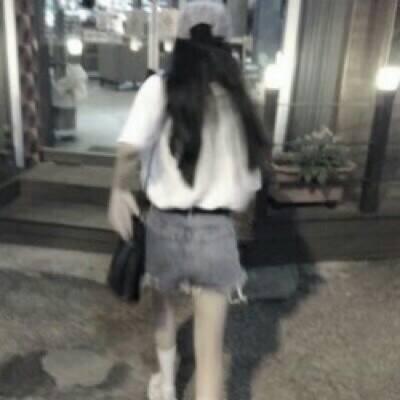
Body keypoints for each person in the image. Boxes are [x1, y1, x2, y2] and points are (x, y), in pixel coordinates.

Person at [108, 2, 268, 400]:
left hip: (165, 225)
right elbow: (251, 182)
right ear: (227, 44)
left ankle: (165, 385)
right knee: (210, 354)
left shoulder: (158, 88)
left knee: (163, 310)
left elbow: (129, 149)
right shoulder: (238, 98)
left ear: (178, 41)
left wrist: (119, 191)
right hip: (216, 230)